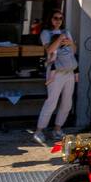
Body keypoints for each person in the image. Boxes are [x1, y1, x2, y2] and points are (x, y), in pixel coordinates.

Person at [33, 10, 79, 146]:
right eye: (55, 18)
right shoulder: (46, 33)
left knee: (67, 103)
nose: (58, 20)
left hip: (69, 70)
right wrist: (59, 39)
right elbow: (49, 50)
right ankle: (39, 131)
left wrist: (71, 43)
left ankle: (57, 129)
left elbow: (74, 51)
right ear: (50, 19)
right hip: (55, 71)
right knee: (51, 102)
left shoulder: (66, 31)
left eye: (60, 18)